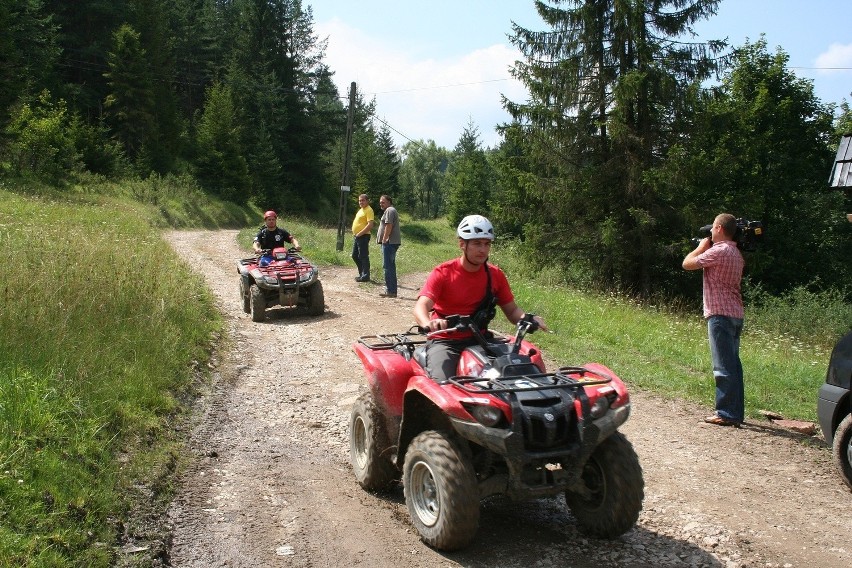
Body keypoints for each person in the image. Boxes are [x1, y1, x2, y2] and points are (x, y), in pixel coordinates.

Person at [413, 214, 548, 381]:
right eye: (477, 243)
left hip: (481, 340)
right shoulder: (443, 273)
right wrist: (428, 323)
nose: (483, 250)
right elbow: (421, 306)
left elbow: (512, 311)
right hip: (446, 341)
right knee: (444, 386)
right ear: (462, 244)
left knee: (523, 371)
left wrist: (528, 318)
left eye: (487, 244)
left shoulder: (495, 275)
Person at [682, 213, 745, 427]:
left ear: (718, 228)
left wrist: (701, 246)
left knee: (723, 367)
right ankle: (735, 412)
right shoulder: (736, 252)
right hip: (735, 313)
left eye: (712, 229)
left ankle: (726, 413)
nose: (709, 232)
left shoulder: (719, 251)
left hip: (719, 314)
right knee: (733, 365)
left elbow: (687, 264)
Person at [376, 194, 401, 298]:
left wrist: (385, 238)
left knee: (388, 267)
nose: (381, 204)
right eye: (380, 202)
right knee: (390, 266)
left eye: (383, 202)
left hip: (389, 243)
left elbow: (388, 225)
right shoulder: (390, 210)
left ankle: (390, 290)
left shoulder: (390, 210)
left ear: (389, 202)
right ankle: (391, 290)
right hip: (390, 243)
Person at [351, 193, 375, 282]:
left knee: (363, 256)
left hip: (363, 236)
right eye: (359, 200)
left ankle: (366, 276)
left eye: (363, 200)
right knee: (355, 255)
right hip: (357, 236)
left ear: (367, 201)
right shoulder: (361, 210)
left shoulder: (369, 210)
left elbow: (370, 225)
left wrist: (360, 233)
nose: (361, 202)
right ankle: (362, 274)